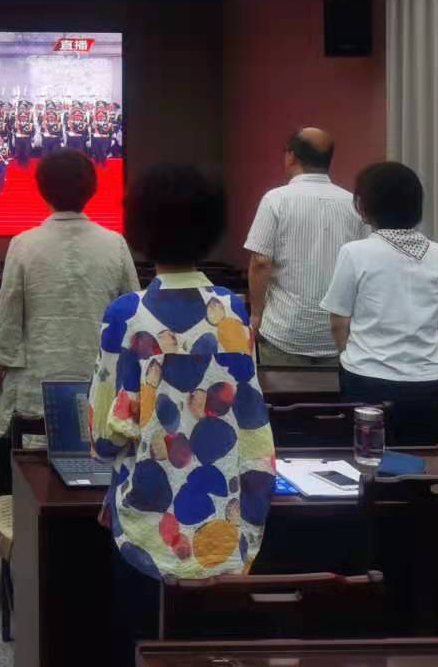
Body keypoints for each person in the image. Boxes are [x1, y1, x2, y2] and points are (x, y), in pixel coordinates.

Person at [90, 163, 275, 665]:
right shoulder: (234, 311)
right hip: (228, 520)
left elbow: (104, 439)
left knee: (143, 642)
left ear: (138, 227)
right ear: (212, 228)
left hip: (147, 527)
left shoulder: (126, 315)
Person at [0, 149, 140, 441]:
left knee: (35, 462)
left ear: (43, 189)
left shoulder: (24, 244)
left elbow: (9, 319)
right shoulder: (115, 244)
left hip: (37, 386)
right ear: (91, 188)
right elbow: (133, 315)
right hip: (100, 386)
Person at [324, 162, 438, 444]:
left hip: (366, 379)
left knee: (368, 460)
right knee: (421, 461)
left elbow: (338, 322)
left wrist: (351, 354)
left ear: (363, 205)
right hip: (427, 381)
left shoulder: (354, 252)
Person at [244, 128, 366, 367]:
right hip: (337, 335)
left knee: (279, 391)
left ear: (291, 156)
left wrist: (256, 314)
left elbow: (260, 261)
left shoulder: (276, 199)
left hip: (284, 330)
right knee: (332, 394)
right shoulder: (353, 204)